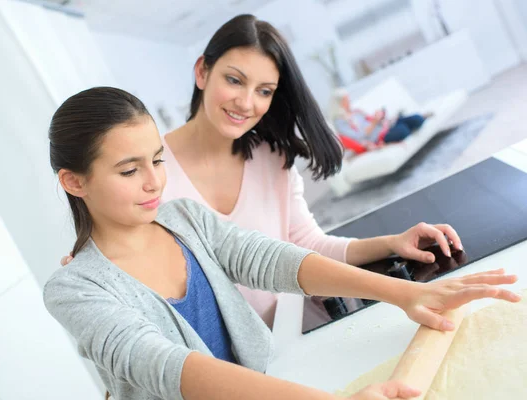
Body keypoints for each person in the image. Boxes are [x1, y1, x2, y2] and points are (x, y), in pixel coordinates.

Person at [45, 86, 520, 400]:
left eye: (156, 160)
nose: (154, 183)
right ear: (75, 181)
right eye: (130, 171)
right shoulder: (75, 289)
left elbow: (269, 259)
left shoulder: (181, 217)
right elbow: (167, 366)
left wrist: (407, 294)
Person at [62, 14, 456, 328]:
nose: (246, 102)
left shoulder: (270, 156)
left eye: (265, 90)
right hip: (237, 362)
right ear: (202, 72)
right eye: (234, 80)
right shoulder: (149, 177)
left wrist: (391, 243)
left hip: (309, 326)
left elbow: (307, 245)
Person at [328, 87, 433, 152]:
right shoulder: (340, 122)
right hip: (379, 137)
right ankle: (405, 127)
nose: (349, 101)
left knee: (417, 119)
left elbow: (370, 119)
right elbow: (358, 137)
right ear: (339, 104)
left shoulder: (356, 112)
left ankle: (410, 121)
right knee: (403, 130)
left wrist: (378, 117)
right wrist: (374, 122)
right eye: (346, 100)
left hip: (386, 125)